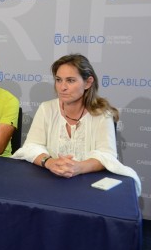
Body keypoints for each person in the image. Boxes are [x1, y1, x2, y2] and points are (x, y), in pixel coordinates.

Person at [12, 54, 141, 194]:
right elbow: (31, 146)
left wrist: (78, 167)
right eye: (58, 80)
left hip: (88, 189)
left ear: (88, 82)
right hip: (50, 184)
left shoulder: (102, 114)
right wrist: (49, 162)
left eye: (70, 80)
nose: (62, 87)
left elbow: (107, 155)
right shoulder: (46, 108)